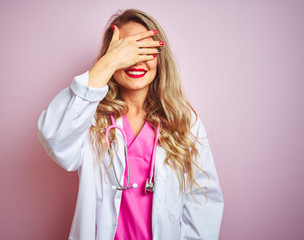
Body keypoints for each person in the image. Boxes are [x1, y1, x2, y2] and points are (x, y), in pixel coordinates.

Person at [38, 9, 224, 240]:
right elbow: (54, 138)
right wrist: (107, 64)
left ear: (159, 56)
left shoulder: (183, 121)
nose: (136, 60)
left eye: (145, 50)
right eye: (126, 51)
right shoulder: (90, 118)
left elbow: (203, 204)